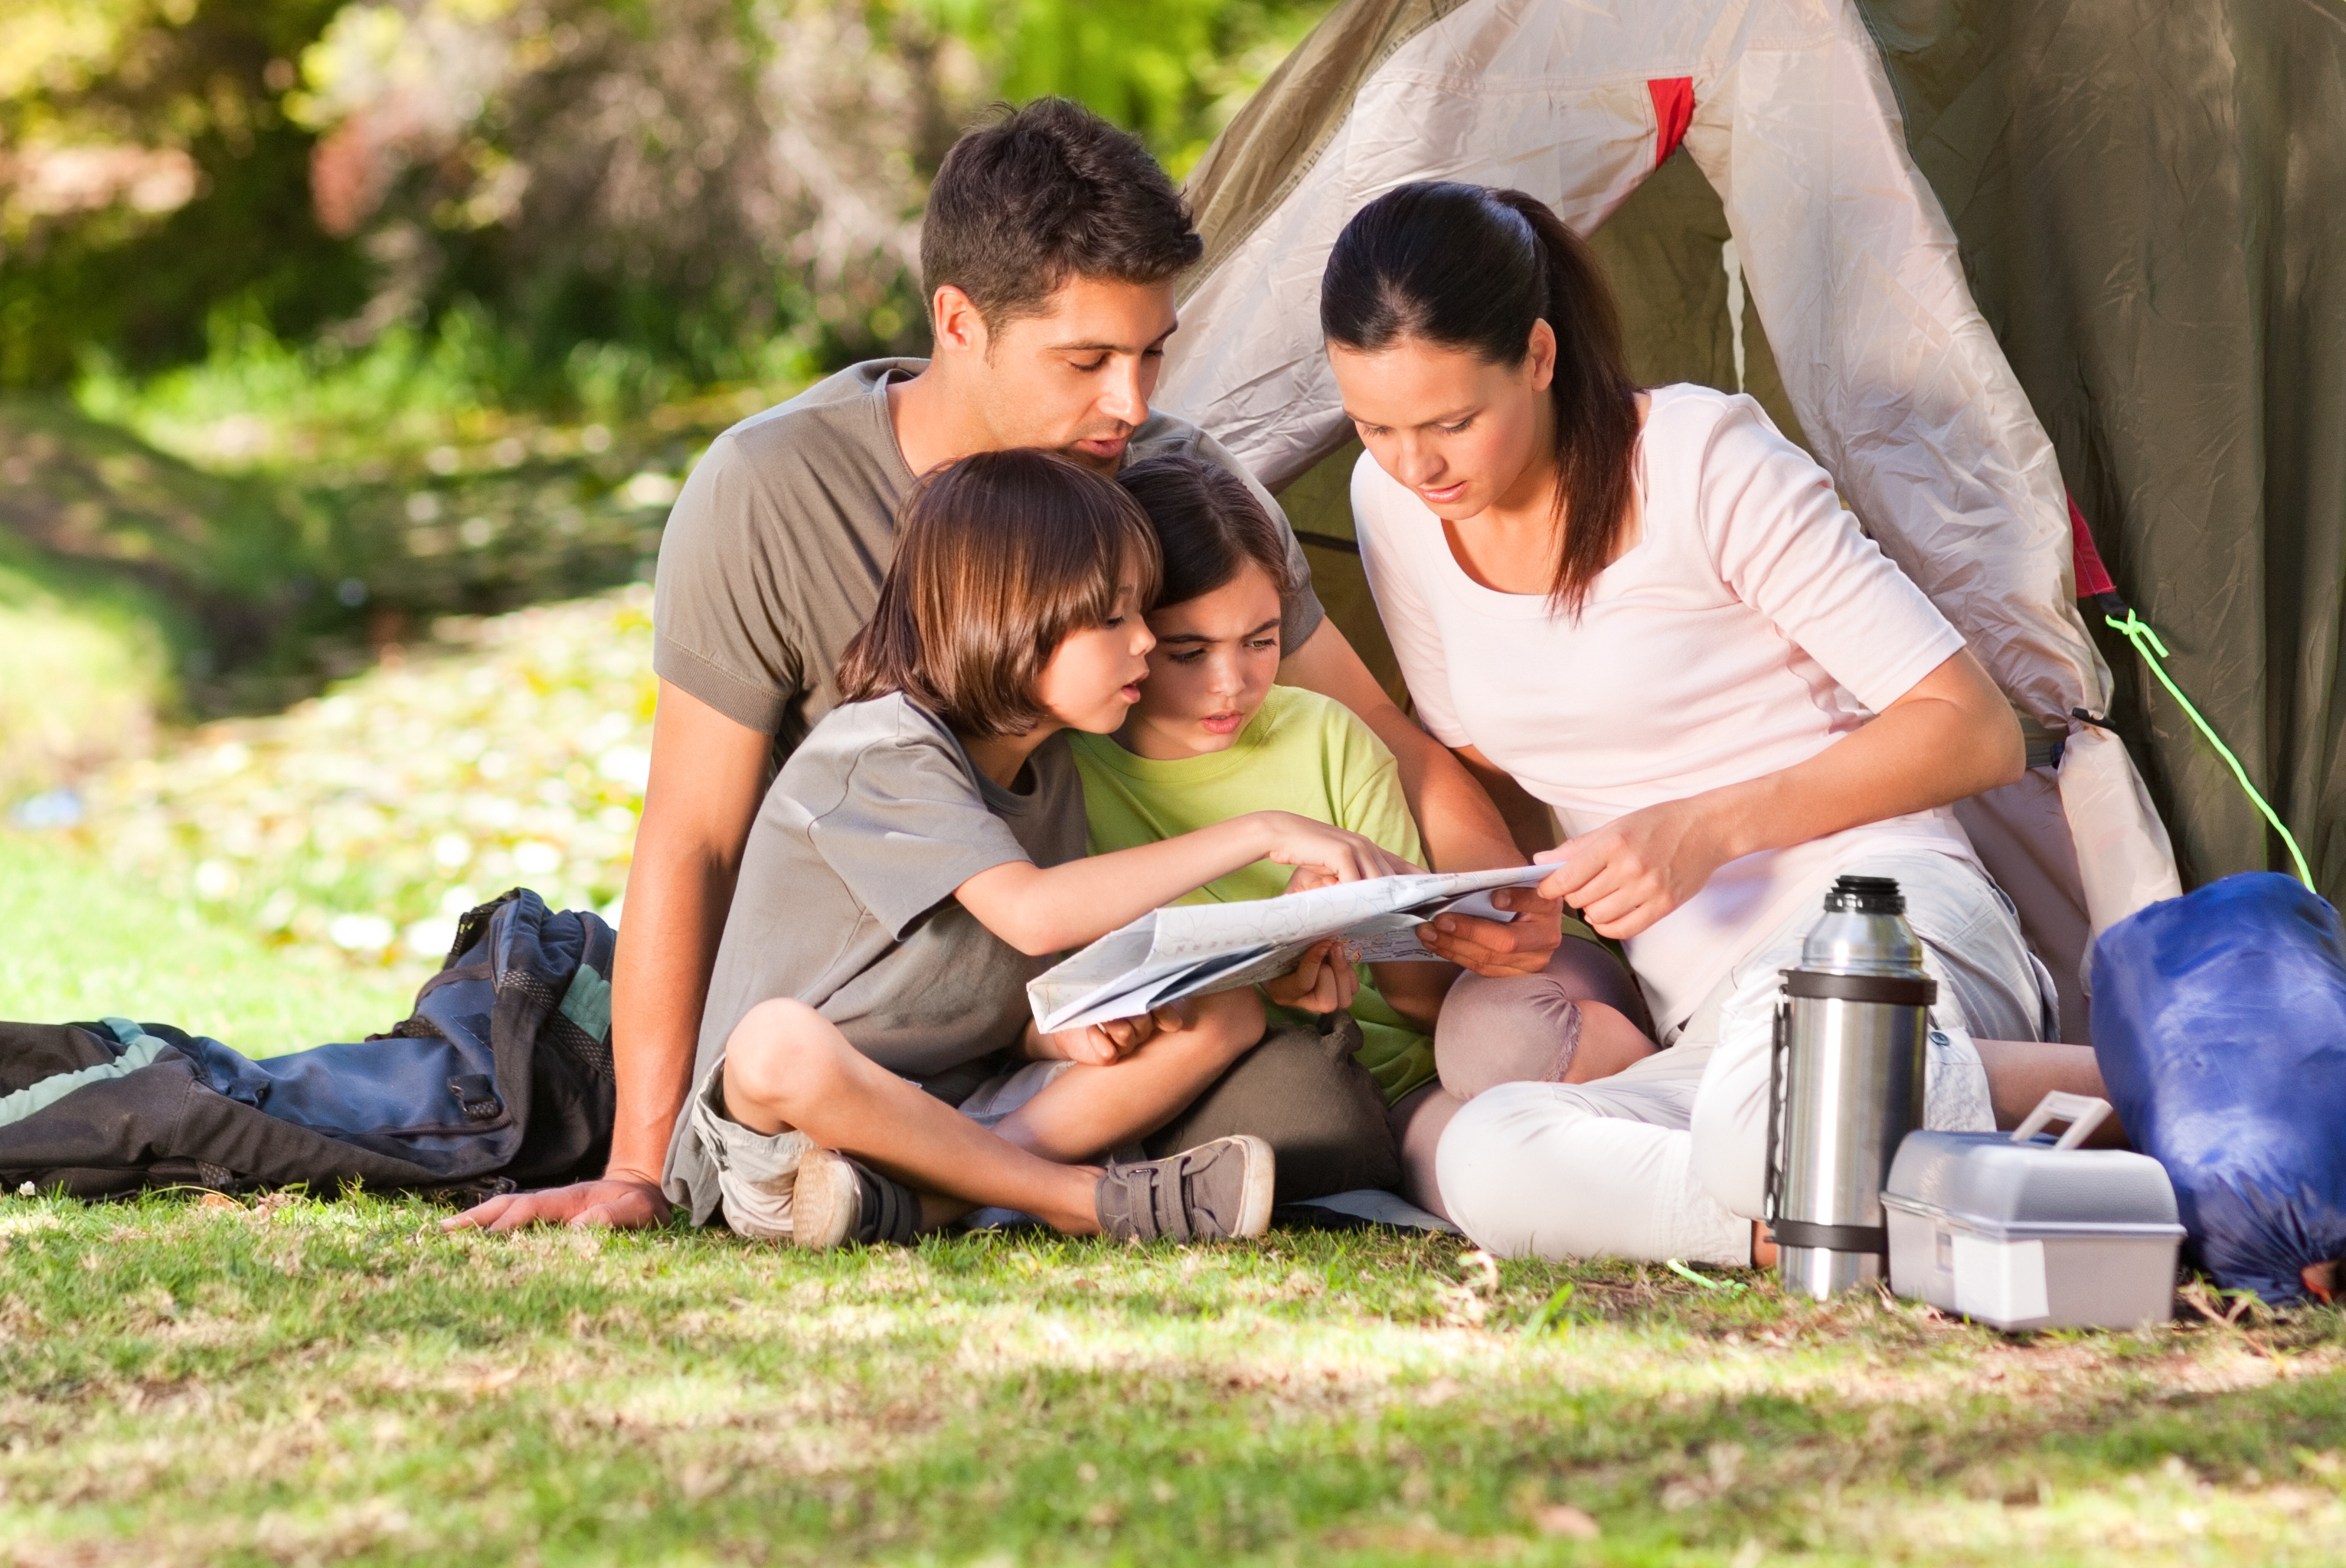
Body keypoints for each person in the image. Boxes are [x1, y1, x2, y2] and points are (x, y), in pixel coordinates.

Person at [453, 100, 1552, 1236]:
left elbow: (1381, 733)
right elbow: (694, 839)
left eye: (1153, 353)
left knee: (1306, 1108)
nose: (1132, 405)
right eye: (1087, 360)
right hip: (871, 1016)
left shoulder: (1173, 476)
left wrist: (1503, 907)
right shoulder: (772, 494)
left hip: (1067, 1022)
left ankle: (924, 1189)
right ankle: (1010, 1189)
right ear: (960, 322)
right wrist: (639, 1168)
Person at [1322, 179, 2108, 1265]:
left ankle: (2138, 1094)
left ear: (1540, 358)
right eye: (1376, 427)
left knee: (1776, 1090)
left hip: (1880, 923)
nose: (1419, 465)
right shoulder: (1393, 505)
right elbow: (1480, 756)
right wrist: (1510, 901)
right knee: (1485, 1141)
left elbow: (1970, 729)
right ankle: (1796, 1224)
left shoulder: (1701, 463)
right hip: (1712, 1028)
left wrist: (1707, 828)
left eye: (1453, 421)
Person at [673, 450, 1403, 1246]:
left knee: (1218, 1013)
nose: (1144, 645)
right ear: (1010, 621)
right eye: (1115, 619)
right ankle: (1078, 1200)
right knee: (775, 1042)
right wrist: (1260, 831)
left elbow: (979, 990)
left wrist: (1059, 1032)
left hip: (967, 1113)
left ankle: (944, 1197)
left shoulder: (1048, 766)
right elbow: (1029, 917)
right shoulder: (876, 753)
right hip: (793, 1139)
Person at [1076, 432, 1641, 1200]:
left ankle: (1677, 1083)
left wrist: (1366, 917)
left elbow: (1418, 999)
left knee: (1504, 1044)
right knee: (1492, 1179)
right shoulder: (1076, 773)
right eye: (1189, 652)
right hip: (1332, 1098)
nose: (1231, 685)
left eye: (1261, 640)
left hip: (1434, 1048)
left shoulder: (1323, 732)